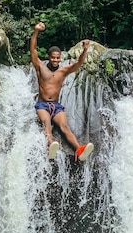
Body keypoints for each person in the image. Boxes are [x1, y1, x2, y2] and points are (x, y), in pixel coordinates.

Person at [30, 22, 94, 161]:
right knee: (46, 123)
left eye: (58, 58)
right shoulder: (40, 67)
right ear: (49, 57)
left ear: (60, 58)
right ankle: (51, 144)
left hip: (56, 106)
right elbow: (33, 50)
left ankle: (79, 150)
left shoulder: (63, 71)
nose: (55, 60)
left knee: (65, 126)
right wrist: (36, 32)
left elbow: (78, 64)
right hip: (42, 105)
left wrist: (85, 50)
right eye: (53, 57)